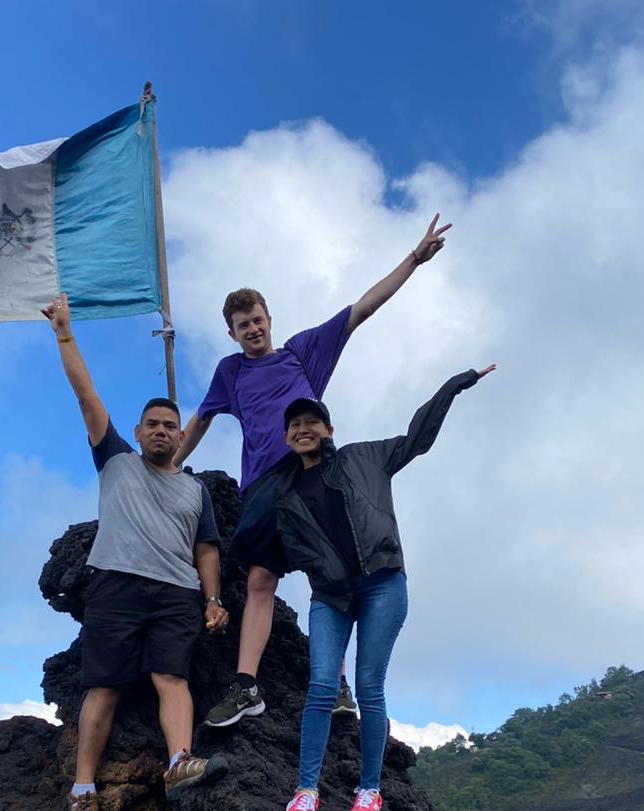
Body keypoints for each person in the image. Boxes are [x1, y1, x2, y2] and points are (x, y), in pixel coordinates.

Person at [174, 215, 453, 729]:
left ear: (268, 318)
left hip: (313, 474)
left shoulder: (303, 352)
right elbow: (201, 420)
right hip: (260, 487)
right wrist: (169, 466)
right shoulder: (230, 372)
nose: (252, 329)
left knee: (333, 576)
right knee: (260, 579)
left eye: (257, 319)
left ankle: (339, 686)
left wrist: (414, 259)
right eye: (242, 326)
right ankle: (246, 686)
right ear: (231, 333)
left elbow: (362, 309)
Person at [42, 293, 230, 811]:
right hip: (116, 584)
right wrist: (63, 335)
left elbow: (207, 550)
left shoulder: (196, 489)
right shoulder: (116, 461)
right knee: (104, 687)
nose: (161, 431)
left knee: (172, 678)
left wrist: (213, 599)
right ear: (138, 429)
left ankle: (180, 761)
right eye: (152, 424)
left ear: (180, 435)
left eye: (170, 425)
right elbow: (85, 393)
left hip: (177, 592)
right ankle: (82, 794)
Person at [273, 366, 495, 811]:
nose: (302, 429)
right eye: (294, 425)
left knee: (369, 686)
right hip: (330, 596)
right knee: (320, 688)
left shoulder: (364, 457)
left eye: (311, 421)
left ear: (328, 430)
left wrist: (455, 384)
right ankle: (305, 792)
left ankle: (369, 792)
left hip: (382, 584)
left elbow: (417, 437)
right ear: (287, 436)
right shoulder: (286, 493)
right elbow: (287, 547)